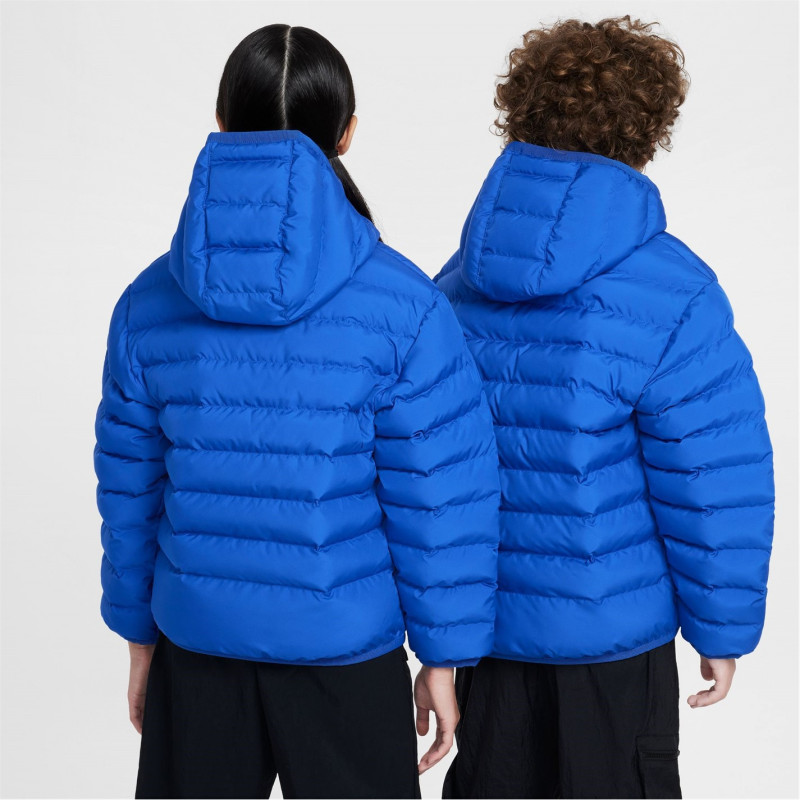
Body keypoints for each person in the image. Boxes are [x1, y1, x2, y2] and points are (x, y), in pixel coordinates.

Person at [93, 24, 501, 800]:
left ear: (221, 122)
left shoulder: (148, 303)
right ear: (346, 134)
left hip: (198, 647)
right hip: (346, 654)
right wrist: (443, 656)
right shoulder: (405, 305)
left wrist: (139, 636)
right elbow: (441, 495)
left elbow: (129, 489)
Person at [436, 16, 774, 799]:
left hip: (490, 638)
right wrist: (721, 624)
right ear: (646, 131)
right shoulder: (674, 290)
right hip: (614, 643)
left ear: (522, 111)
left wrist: (439, 638)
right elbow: (713, 473)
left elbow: (431, 471)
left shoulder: (456, 279)